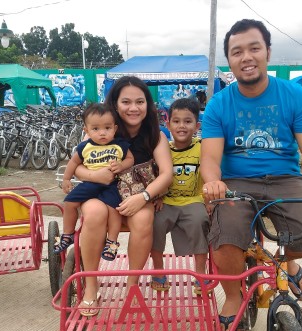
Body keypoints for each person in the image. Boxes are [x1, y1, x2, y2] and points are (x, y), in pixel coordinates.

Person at [200, 19, 302, 331]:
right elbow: (210, 158)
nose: (246, 56)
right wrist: (213, 182)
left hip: (285, 179)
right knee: (225, 238)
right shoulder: (219, 103)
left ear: (268, 52)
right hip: (236, 183)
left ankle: (284, 263)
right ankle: (233, 297)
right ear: (229, 60)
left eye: (254, 48)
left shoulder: (293, 95)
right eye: (237, 51)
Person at [71, 76, 173, 315]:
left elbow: (166, 173)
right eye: (126, 101)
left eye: (140, 101)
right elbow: (76, 165)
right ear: (115, 104)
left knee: (143, 219)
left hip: (137, 194)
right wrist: (97, 176)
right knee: (94, 213)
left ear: (148, 104)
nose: (133, 108)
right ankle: (91, 286)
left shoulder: (156, 135)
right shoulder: (99, 128)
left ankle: (132, 285)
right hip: (100, 192)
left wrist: (145, 196)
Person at [57, 103, 134, 270]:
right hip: (90, 184)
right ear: (87, 130)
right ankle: (68, 234)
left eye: (107, 128)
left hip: (112, 185)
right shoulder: (84, 147)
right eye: (96, 129)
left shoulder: (120, 145)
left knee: (114, 209)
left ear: (115, 128)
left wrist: (121, 166)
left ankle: (112, 242)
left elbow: (130, 159)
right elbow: (73, 163)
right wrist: (66, 179)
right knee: (69, 202)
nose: (102, 132)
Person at [149, 98, 210, 294]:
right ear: (168, 124)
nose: (181, 126)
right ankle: (158, 270)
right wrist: (156, 196)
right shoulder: (162, 147)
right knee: (154, 224)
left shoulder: (203, 147)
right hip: (166, 201)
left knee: (201, 221)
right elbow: (154, 174)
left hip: (194, 199)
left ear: (197, 125)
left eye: (187, 121)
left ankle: (200, 273)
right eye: (176, 121)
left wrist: (209, 199)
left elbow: (213, 172)